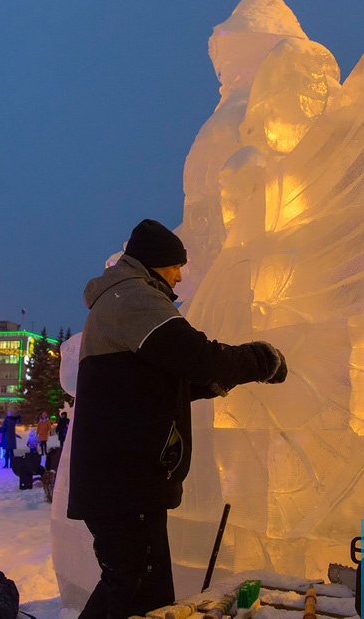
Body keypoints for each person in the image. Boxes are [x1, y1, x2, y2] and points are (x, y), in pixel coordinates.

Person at [68, 219, 287, 619]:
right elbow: (197, 358)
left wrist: (223, 382)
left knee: (143, 590)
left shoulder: (124, 300)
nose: (180, 276)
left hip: (124, 477)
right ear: (154, 264)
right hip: (123, 478)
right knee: (132, 585)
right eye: (175, 266)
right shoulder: (133, 298)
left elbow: (165, 381)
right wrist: (259, 360)